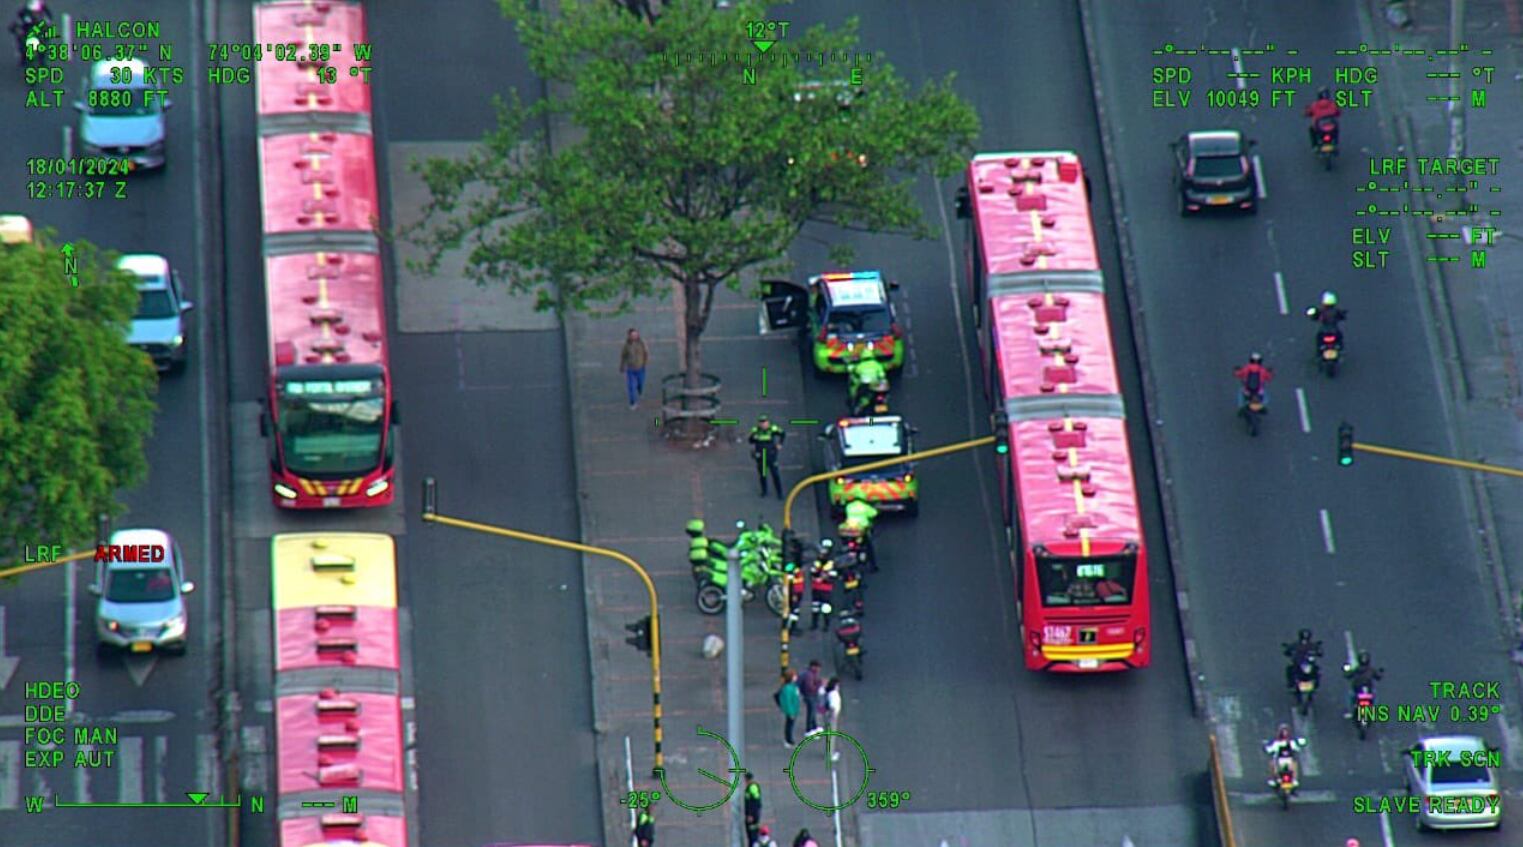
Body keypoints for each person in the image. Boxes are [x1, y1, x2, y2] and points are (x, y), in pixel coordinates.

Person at [749, 414, 786, 499]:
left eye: (765, 422)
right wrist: (753, 437)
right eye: (761, 423)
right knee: (763, 475)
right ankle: (764, 491)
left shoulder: (773, 428)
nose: (763, 424)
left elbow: (783, 433)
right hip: (761, 456)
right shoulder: (755, 430)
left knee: (775, 475)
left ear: (768, 422)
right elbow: (750, 441)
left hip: (771, 455)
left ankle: (779, 493)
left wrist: (780, 444)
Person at [1342, 651, 1384, 717]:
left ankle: (1349, 711)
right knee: (1374, 696)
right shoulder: (1372, 670)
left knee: (1350, 696)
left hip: (1357, 689)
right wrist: (1381, 673)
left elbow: (1348, 675)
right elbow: (1378, 677)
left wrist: (1346, 671)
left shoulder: (1356, 669)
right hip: (1368, 690)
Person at [848, 349, 888, 415]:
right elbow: (882, 376)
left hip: (865, 386)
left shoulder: (859, 366)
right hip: (877, 386)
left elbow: (855, 375)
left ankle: (859, 409)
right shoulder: (878, 365)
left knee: (859, 398)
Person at [619, 328, 649, 410]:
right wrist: (622, 366)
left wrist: (645, 363)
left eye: (636, 334)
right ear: (629, 336)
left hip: (641, 368)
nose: (634, 336)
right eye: (632, 335)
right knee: (631, 386)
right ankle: (632, 402)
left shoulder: (642, 343)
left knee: (641, 383)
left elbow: (646, 352)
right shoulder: (627, 345)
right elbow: (623, 356)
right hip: (631, 369)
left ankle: (639, 389)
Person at [809, 556, 836, 632]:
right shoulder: (816, 563)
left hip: (825, 590)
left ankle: (826, 625)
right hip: (816, 589)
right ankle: (814, 624)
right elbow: (812, 573)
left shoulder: (831, 564)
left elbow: (833, 577)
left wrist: (823, 577)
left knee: (826, 608)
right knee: (815, 607)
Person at [797, 658, 823, 734]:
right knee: (811, 712)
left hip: (811, 695)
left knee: (813, 711)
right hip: (809, 695)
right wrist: (819, 684)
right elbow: (810, 688)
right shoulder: (809, 675)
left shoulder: (811, 673)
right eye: (818, 668)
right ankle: (808, 729)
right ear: (813, 667)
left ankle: (814, 726)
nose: (819, 670)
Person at [776, 669, 801, 746]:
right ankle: (788, 740)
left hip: (794, 709)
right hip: (792, 711)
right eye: (794, 676)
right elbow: (787, 702)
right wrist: (791, 712)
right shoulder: (788, 688)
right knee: (789, 725)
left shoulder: (791, 686)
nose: (796, 677)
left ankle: (789, 739)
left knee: (790, 725)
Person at [821, 677, 843, 761]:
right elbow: (833, 707)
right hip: (831, 716)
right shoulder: (833, 694)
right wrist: (834, 717)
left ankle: (829, 753)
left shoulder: (828, 692)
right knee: (831, 735)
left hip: (827, 715)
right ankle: (830, 755)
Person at [743, 772, 763, 845]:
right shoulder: (749, 787)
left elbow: (755, 802)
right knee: (750, 834)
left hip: (752, 815)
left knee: (753, 834)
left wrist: (751, 815)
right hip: (751, 815)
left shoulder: (752, 787)